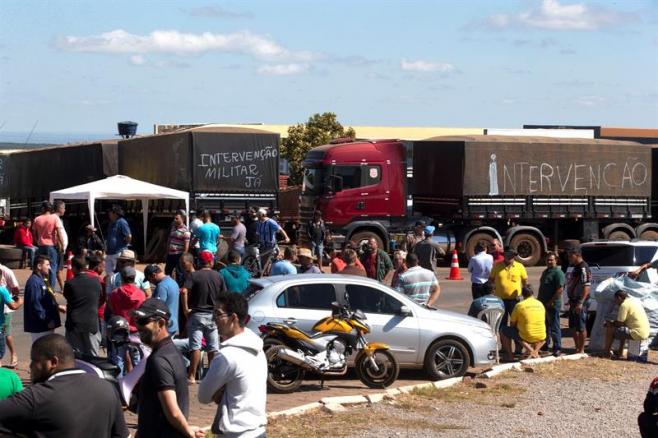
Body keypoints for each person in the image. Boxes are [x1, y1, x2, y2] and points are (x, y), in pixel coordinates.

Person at [0, 334, 127, 438]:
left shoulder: (36, 397)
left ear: (53, 362)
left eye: (34, 360)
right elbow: (122, 435)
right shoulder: (107, 388)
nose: (30, 366)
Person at [198, 293, 267, 438]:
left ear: (233, 318)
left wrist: (220, 391)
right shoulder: (258, 347)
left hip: (234, 433)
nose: (214, 319)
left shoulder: (227, 356)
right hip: (258, 431)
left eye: (218, 314)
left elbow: (203, 397)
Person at [133, 299, 195, 438]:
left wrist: (188, 431)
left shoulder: (159, 360)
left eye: (144, 321)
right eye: (137, 320)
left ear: (160, 323)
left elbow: (172, 410)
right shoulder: (172, 351)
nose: (138, 326)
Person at [181, 250, 227, 384]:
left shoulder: (194, 276)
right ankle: (212, 377)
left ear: (198, 262)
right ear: (211, 262)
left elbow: (184, 291)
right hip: (212, 316)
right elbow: (223, 297)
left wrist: (185, 309)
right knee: (213, 347)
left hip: (196, 315)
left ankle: (191, 376)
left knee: (195, 347)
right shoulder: (218, 276)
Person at [63, 256, 101, 356]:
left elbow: (68, 298)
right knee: (93, 355)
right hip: (91, 323)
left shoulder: (70, 283)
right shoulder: (96, 281)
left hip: (74, 324)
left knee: (76, 356)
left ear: (74, 267)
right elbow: (100, 298)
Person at [24, 255, 64, 343]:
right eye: (47, 265)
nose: (49, 268)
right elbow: (36, 304)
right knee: (42, 353)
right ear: (39, 266)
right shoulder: (34, 282)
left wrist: (57, 306)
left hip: (45, 325)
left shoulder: (43, 279)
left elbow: (46, 299)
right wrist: (47, 320)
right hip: (40, 326)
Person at [500, 286, 546, 361]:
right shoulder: (540, 304)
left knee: (503, 330)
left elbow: (512, 323)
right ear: (532, 293)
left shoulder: (520, 305)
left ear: (522, 295)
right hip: (542, 336)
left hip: (527, 336)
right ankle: (534, 351)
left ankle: (510, 356)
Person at [602, 290, 650, 359]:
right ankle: (620, 352)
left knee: (610, 328)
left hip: (637, 333)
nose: (615, 302)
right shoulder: (634, 301)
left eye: (615, 300)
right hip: (645, 332)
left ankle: (606, 353)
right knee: (623, 329)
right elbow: (622, 323)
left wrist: (609, 323)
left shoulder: (624, 305)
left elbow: (619, 323)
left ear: (619, 298)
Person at [490, 249, 528, 328]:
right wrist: (492, 294)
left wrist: (526, 296)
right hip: (500, 301)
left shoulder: (520, 266)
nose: (509, 257)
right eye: (507, 255)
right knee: (501, 324)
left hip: (515, 300)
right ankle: (505, 340)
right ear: (504, 255)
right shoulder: (497, 266)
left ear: (514, 256)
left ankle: (518, 340)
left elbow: (525, 282)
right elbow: (491, 280)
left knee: (517, 324)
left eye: (511, 255)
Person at [537, 252, 565, 356]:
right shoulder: (545, 272)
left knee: (554, 326)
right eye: (547, 260)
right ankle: (545, 345)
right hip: (543, 304)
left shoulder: (558, 273)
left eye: (551, 260)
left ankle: (557, 347)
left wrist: (551, 301)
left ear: (556, 260)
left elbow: (560, 289)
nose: (549, 262)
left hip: (552, 305)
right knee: (545, 326)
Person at [566, 248, 591, 354]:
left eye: (570, 256)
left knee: (581, 326)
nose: (568, 258)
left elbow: (587, 286)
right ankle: (576, 348)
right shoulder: (575, 267)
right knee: (573, 326)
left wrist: (581, 302)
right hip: (572, 300)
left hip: (580, 301)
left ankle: (581, 349)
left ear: (576, 255)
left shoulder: (583, 268)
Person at [145, 264, 180, 336]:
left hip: (165, 327)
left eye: (149, 279)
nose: (150, 282)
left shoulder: (161, 286)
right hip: (173, 324)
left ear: (154, 275)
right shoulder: (173, 282)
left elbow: (157, 308)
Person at [32, 201, 61, 287]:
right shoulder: (54, 218)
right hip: (51, 246)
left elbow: (34, 234)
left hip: (41, 246)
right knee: (52, 267)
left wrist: (38, 241)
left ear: (43, 208)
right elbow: (58, 233)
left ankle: (42, 285)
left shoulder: (37, 219)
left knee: (40, 267)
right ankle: (51, 289)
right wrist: (62, 244)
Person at [0, 262, 21, 368]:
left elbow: (16, 288)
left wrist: (14, 298)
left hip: (5, 310)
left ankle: (14, 354)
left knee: (6, 334)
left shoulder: (7, 272)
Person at [105, 204, 132, 280]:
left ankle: (118, 285)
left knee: (119, 271)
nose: (109, 214)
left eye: (110, 212)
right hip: (110, 252)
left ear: (115, 213)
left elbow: (129, 236)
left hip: (119, 252)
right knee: (108, 271)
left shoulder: (122, 222)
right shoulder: (111, 223)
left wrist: (124, 244)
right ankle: (113, 285)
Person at [166, 211, 191, 278]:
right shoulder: (173, 228)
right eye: (175, 218)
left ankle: (179, 287)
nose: (175, 220)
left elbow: (186, 245)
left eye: (177, 218)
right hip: (170, 254)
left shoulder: (186, 231)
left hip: (179, 255)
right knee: (167, 272)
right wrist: (167, 252)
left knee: (179, 273)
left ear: (182, 219)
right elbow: (169, 240)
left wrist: (183, 256)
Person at [53, 200, 69, 292]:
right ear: (59, 208)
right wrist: (61, 246)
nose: (65, 210)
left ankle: (62, 287)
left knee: (58, 269)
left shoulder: (58, 219)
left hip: (60, 247)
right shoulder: (55, 218)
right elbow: (56, 233)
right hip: (59, 248)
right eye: (64, 208)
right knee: (58, 269)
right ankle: (62, 288)